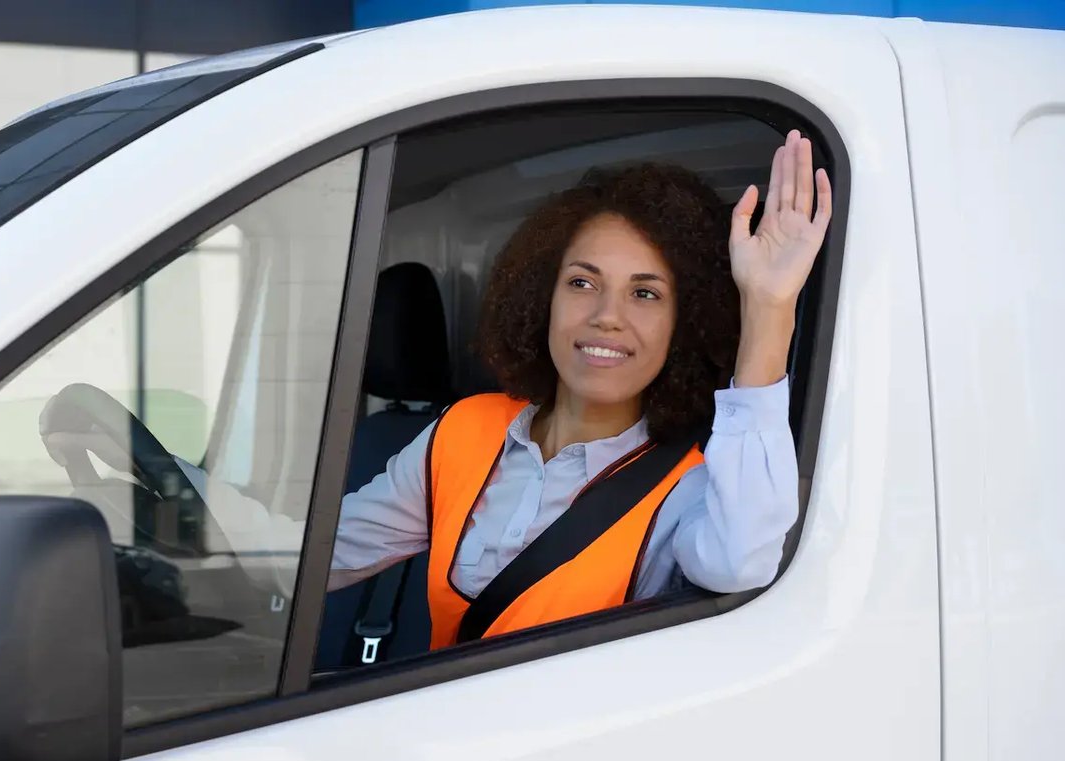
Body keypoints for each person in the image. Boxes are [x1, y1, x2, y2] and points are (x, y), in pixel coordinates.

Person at [324, 129, 832, 648]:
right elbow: (327, 552)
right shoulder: (461, 430)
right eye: (582, 283)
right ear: (542, 298)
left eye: (645, 293)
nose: (607, 316)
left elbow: (741, 562)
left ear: (683, 325)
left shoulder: (689, 485)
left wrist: (769, 306)